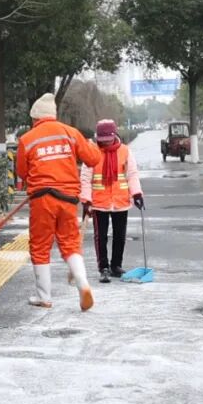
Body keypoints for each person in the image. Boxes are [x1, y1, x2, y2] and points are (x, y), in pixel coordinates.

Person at [16, 93, 103, 310]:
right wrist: (91, 145)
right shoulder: (71, 133)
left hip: (42, 199)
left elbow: (22, 172)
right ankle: (82, 283)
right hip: (68, 199)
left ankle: (44, 297)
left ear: (36, 117)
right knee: (70, 243)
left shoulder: (27, 139)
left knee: (40, 246)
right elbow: (93, 159)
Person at [79, 119, 143, 283]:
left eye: (108, 139)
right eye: (102, 140)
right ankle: (103, 267)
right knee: (100, 237)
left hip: (120, 201)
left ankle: (116, 265)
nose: (105, 143)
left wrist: (136, 194)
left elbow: (132, 174)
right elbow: (85, 178)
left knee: (120, 235)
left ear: (114, 135)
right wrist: (86, 200)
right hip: (98, 202)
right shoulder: (92, 152)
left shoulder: (125, 151)